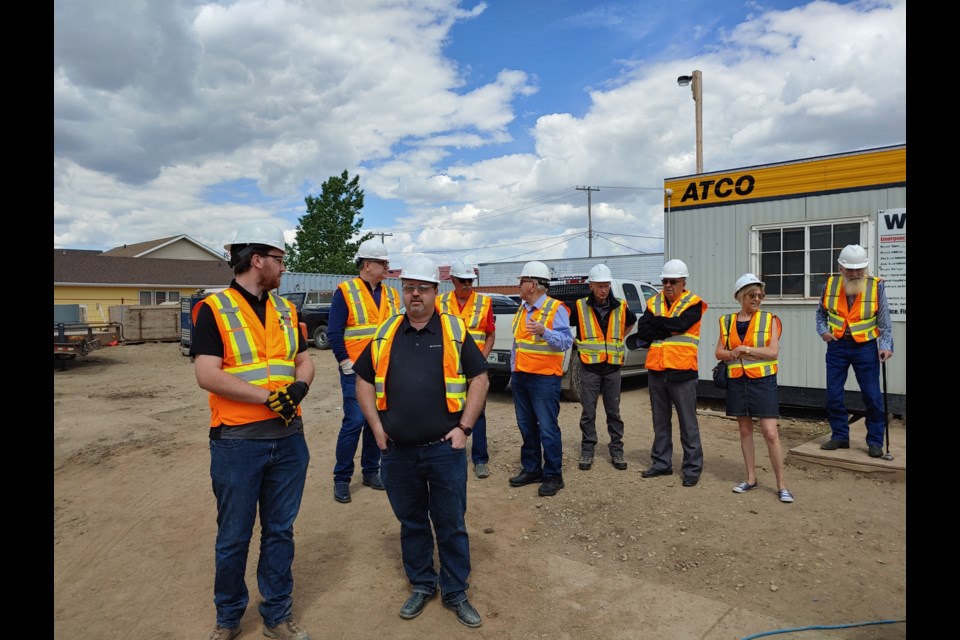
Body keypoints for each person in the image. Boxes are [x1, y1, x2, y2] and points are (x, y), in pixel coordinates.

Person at [191, 221, 314, 640]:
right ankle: (228, 619)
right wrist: (266, 398)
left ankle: (276, 615)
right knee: (234, 537)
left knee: (280, 532)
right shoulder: (214, 308)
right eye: (279, 260)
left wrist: (299, 387)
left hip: (288, 439)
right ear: (257, 260)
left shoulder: (285, 310)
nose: (283, 268)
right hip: (237, 442)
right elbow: (207, 374)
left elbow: (303, 361)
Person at [353, 256, 489, 629]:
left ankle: (455, 590)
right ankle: (422, 583)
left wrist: (464, 427)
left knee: (450, 522)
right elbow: (362, 380)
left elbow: (480, 379)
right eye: (409, 287)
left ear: (435, 292)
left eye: (423, 288)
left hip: (444, 450)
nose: (415, 294)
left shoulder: (454, 331)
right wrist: (377, 429)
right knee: (411, 522)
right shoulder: (385, 333)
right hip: (396, 451)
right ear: (402, 291)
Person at [328, 238, 401, 503]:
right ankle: (342, 478)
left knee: (375, 423)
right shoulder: (345, 291)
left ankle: (371, 471)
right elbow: (335, 331)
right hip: (355, 372)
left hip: (383, 371)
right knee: (354, 422)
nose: (387, 268)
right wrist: (345, 363)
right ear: (367, 264)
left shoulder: (391, 294)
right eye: (383, 263)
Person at [715, 274, 793, 503]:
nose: (757, 299)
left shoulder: (771, 319)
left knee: (770, 432)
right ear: (740, 296)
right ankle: (751, 478)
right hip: (737, 380)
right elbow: (719, 352)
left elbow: (773, 352)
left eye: (760, 295)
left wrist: (745, 349)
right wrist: (732, 353)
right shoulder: (726, 321)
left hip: (763, 381)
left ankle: (782, 485)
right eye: (752, 295)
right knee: (745, 431)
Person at [629, 259, 708, 487]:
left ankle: (692, 468)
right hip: (656, 370)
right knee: (660, 421)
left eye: (673, 281)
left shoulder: (693, 303)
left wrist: (658, 324)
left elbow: (682, 325)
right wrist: (666, 324)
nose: (668, 285)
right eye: (665, 281)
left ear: (683, 282)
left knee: (688, 423)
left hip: (683, 371)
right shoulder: (653, 301)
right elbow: (643, 329)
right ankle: (661, 463)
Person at [816, 244, 894, 458]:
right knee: (833, 395)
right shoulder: (829, 285)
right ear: (841, 268)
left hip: (866, 348)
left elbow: (885, 322)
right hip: (837, 347)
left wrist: (885, 346)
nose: (855, 273)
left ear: (865, 268)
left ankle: (875, 441)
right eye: (850, 269)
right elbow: (821, 315)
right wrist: (823, 332)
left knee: (872, 396)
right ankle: (840, 435)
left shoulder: (876, 286)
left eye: (859, 269)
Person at [507, 260, 573, 497]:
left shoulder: (556, 309)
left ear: (532, 285)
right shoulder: (522, 308)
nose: (519, 285)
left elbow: (566, 342)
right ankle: (532, 469)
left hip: (544, 380)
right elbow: (518, 344)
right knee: (526, 426)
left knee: (547, 428)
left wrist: (545, 332)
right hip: (522, 377)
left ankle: (554, 475)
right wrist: (513, 371)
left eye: (522, 281)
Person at [567, 264, 637, 471]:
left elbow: (630, 322)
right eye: (599, 286)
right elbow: (562, 323)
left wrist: (618, 338)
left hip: (612, 367)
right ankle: (587, 450)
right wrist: (570, 339)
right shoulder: (579, 307)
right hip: (589, 366)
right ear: (591, 286)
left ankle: (617, 450)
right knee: (589, 410)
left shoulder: (621, 306)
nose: (604, 290)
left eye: (606, 286)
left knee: (613, 411)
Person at [436, 258, 496, 479]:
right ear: (452, 280)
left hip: (474, 370)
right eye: (463, 281)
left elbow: (490, 335)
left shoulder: (484, 302)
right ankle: (447, 454)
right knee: (446, 410)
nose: (468, 285)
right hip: (447, 368)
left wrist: (480, 361)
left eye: (470, 281)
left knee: (478, 413)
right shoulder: (439, 302)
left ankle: (480, 459)